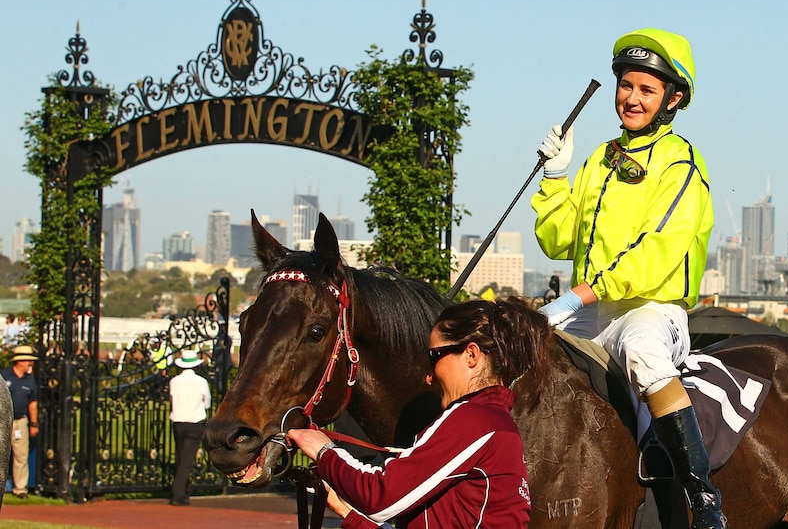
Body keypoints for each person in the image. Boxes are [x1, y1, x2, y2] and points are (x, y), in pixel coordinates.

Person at [531, 28, 724, 529]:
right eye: (626, 86)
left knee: (640, 349)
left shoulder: (681, 161)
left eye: (646, 90)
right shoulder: (599, 159)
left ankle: (701, 497)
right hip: (588, 307)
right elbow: (556, 241)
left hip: (652, 310)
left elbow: (655, 251)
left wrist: (577, 296)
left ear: (673, 99)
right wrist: (555, 178)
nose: (631, 98)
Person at [287, 297, 551, 529]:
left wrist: (324, 450)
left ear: (471, 355)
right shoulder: (495, 423)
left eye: (434, 356)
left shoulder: (474, 419)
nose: (428, 376)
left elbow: (380, 497)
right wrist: (348, 512)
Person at [168, 349, 211, 506]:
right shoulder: (201, 382)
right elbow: (207, 402)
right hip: (195, 420)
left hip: (178, 420)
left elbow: (171, 399)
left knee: (181, 456)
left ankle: (184, 491)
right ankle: (178, 494)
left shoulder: (174, 381)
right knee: (187, 460)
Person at [1, 345, 39, 498]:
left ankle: (20, 488)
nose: (31, 363)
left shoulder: (30, 380)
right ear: (20, 361)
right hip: (3, 421)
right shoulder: (4, 376)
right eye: (29, 361)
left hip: (20, 421)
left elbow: (33, 402)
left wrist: (34, 423)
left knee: (21, 456)